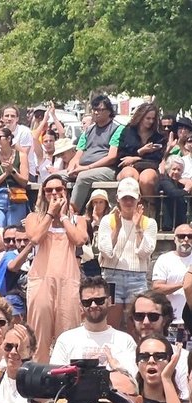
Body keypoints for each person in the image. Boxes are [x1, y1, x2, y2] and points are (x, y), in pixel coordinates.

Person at [24, 173, 87, 362]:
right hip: (41, 280)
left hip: (68, 282)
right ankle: (38, 381)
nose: (54, 193)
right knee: (38, 334)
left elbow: (79, 239)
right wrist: (51, 214)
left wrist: (63, 217)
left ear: (65, 192)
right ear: (43, 194)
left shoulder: (78, 220)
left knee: (68, 334)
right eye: (49, 190)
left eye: (58, 189)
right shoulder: (34, 217)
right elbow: (35, 238)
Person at [96, 177, 158, 332]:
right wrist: (116, 229)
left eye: (132, 198)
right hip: (112, 276)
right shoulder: (108, 220)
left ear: (138, 199)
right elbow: (106, 252)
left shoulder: (148, 223)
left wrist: (138, 229)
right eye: (125, 198)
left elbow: (144, 253)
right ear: (118, 199)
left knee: (137, 328)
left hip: (137, 277)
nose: (128, 202)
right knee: (111, 326)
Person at [68, 95, 123, 213]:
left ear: (109, 111)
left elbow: (112, 157)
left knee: (83, 177)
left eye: (100, 110)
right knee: (55, 177)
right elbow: (78, 154)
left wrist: (86, 168)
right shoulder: (88, 131)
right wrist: (72, 166)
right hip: (83, 168)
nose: (96, 113)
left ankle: (71, 213)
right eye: (94, 109)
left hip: (107, 169)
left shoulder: (117, 129)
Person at [134, 334, 182, 403]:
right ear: (137, 363)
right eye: (144, 357)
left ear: (170, 362)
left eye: (159, 356)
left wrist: (166, 378)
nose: (151, 361)